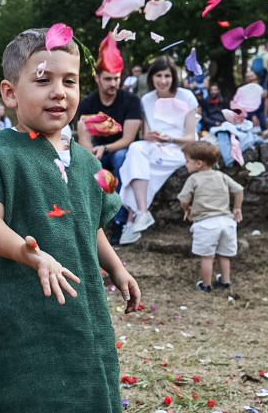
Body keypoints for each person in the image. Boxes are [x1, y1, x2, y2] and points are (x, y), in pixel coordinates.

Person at [0, 27, 140, 413]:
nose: (59, 92)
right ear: (10, 92)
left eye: (69, 81)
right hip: (13, 307)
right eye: (43, 80)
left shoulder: (85, 162)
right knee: (21, 391)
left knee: (82, 380)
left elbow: (91, 224)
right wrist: (28, 254)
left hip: (77, 303)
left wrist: (116, 267)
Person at [117, 56, 199, 245]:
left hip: (179, 150)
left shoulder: (186, 97)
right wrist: (151, 137)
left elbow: (191, 137)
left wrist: (169, 138)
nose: (163, 81)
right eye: (158, 76)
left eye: (167, 76)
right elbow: (145, 134)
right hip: (155, 147)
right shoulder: (147, 99)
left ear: (173, 77)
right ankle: (143, 212)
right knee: (136, 149)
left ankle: (131, 219)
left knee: (135, 167)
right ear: (151, 77)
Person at [76, 57, 142, 244]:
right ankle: (88, 220)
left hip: (122, 149)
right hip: (98, 149)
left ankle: (119, 220)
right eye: (108, 79)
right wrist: (90, 153)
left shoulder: (131, 101)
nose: (113, 83)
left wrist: (104, 148)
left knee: (121, 158)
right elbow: (84, 136)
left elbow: (128, 139)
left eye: (116, 78)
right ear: (97, 78)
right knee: (85, 162)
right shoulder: (88, 102)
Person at [177, 141, 243, 292]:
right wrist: (237, 208)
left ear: (199, 163)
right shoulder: (221, 176)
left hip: (206, 224)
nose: (186, 164)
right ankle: (226, 282)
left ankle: (206, 285)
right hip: (227, 222)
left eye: (188, 161)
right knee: (224, 254)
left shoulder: (193, 179)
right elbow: (239, 190)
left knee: (207, 257)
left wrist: (188, 210)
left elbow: (183, 200)